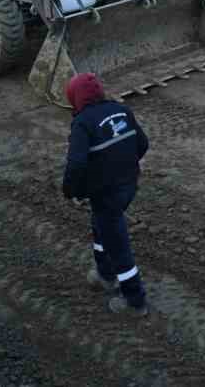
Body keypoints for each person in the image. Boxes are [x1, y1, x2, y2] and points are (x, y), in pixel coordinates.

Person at [62, 73, 150, 315]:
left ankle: (135, 300)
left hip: (105, 193)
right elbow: (142, 144)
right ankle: (105, 273)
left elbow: (76, 164)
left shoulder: (82, 123)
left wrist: (71, 191)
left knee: (117, 241)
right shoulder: (121, 110)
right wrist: (124, 166)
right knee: (101, 225)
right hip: (128, 187)